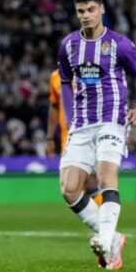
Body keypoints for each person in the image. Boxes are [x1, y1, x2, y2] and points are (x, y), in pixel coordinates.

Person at [57, 0, 136, 270]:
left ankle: (103, 239)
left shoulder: (119, 44)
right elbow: (65, 82)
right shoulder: (68, 45)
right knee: (69, 189)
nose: (86, 15)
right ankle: (113, 240)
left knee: (105, 176)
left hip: (112, 120)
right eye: (81, 11)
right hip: (81, 125)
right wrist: (69, 119)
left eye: (91, 9)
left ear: (101, 9)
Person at [47, 69, 103, 205]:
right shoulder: (55, 77)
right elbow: (54, 106)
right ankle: (101, 216)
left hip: (90, 134)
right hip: (67, 139)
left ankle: (103, 215)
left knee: (89, 181)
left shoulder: (91, 71)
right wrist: (50, 138)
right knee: (71, 187)